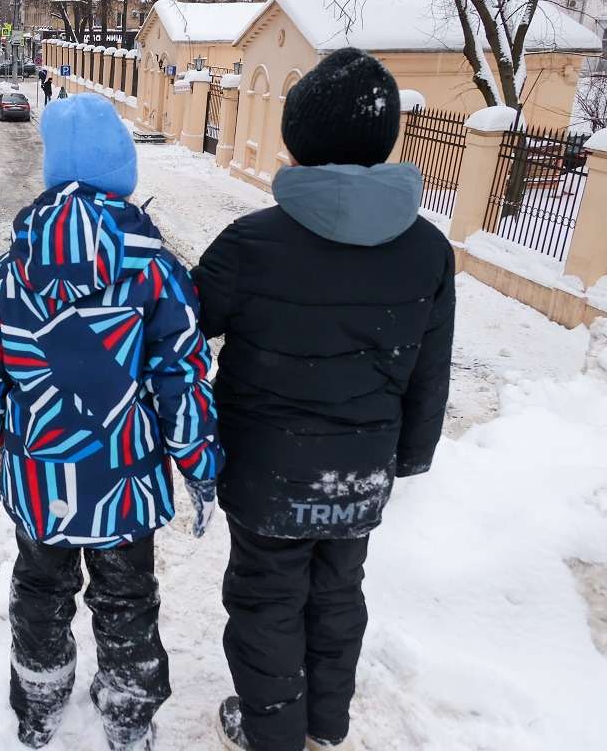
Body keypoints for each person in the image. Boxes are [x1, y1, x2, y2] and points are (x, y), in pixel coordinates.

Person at [192, 48, 455, 751]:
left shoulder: (250, 243)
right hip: (361, 469)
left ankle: (270, 734)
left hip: (264, 469)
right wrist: (413, 455)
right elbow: (432, 367)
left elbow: (183, 329)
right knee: (339, 593)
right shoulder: (429, 250)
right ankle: (325, 726)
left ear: (298, 136)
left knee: (267, 599)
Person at [0, 93, 224, 751]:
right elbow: (182, 377)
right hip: (123, 484)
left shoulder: (9, 271)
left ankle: (40, 702)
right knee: (127, 598)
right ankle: (128, 713)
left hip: (41, 478)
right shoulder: (156, 271)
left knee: (41, 588)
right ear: (121, 171)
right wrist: (199, 464)